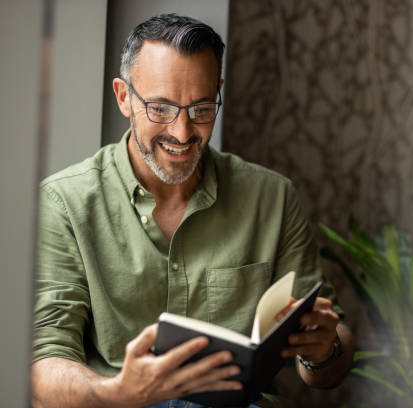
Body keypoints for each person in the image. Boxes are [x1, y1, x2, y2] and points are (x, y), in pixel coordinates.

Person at [31, 13, 353, 408]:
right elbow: (44, 362)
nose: (182, 133)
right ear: (123, 97)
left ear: (218, 93)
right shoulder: (65, 202)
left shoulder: (272, 197)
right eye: (161, 108)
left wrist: (323, 350)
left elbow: (327, 370)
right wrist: (116, 393)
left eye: (201, 108)